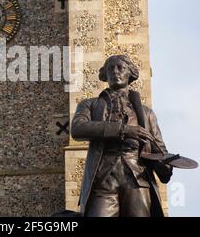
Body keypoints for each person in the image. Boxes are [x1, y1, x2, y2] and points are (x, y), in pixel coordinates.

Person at [71, 55, 173, 217]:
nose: (115, 72)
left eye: (121, 68)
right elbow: (77, 129)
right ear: (105, 75)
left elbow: (159, 150)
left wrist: (165, 164)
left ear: (130, 74)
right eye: (110, 68)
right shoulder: (90, 105)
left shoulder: (146, 113)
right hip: (103, 179)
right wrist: (123, 130)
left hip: (137, 180)